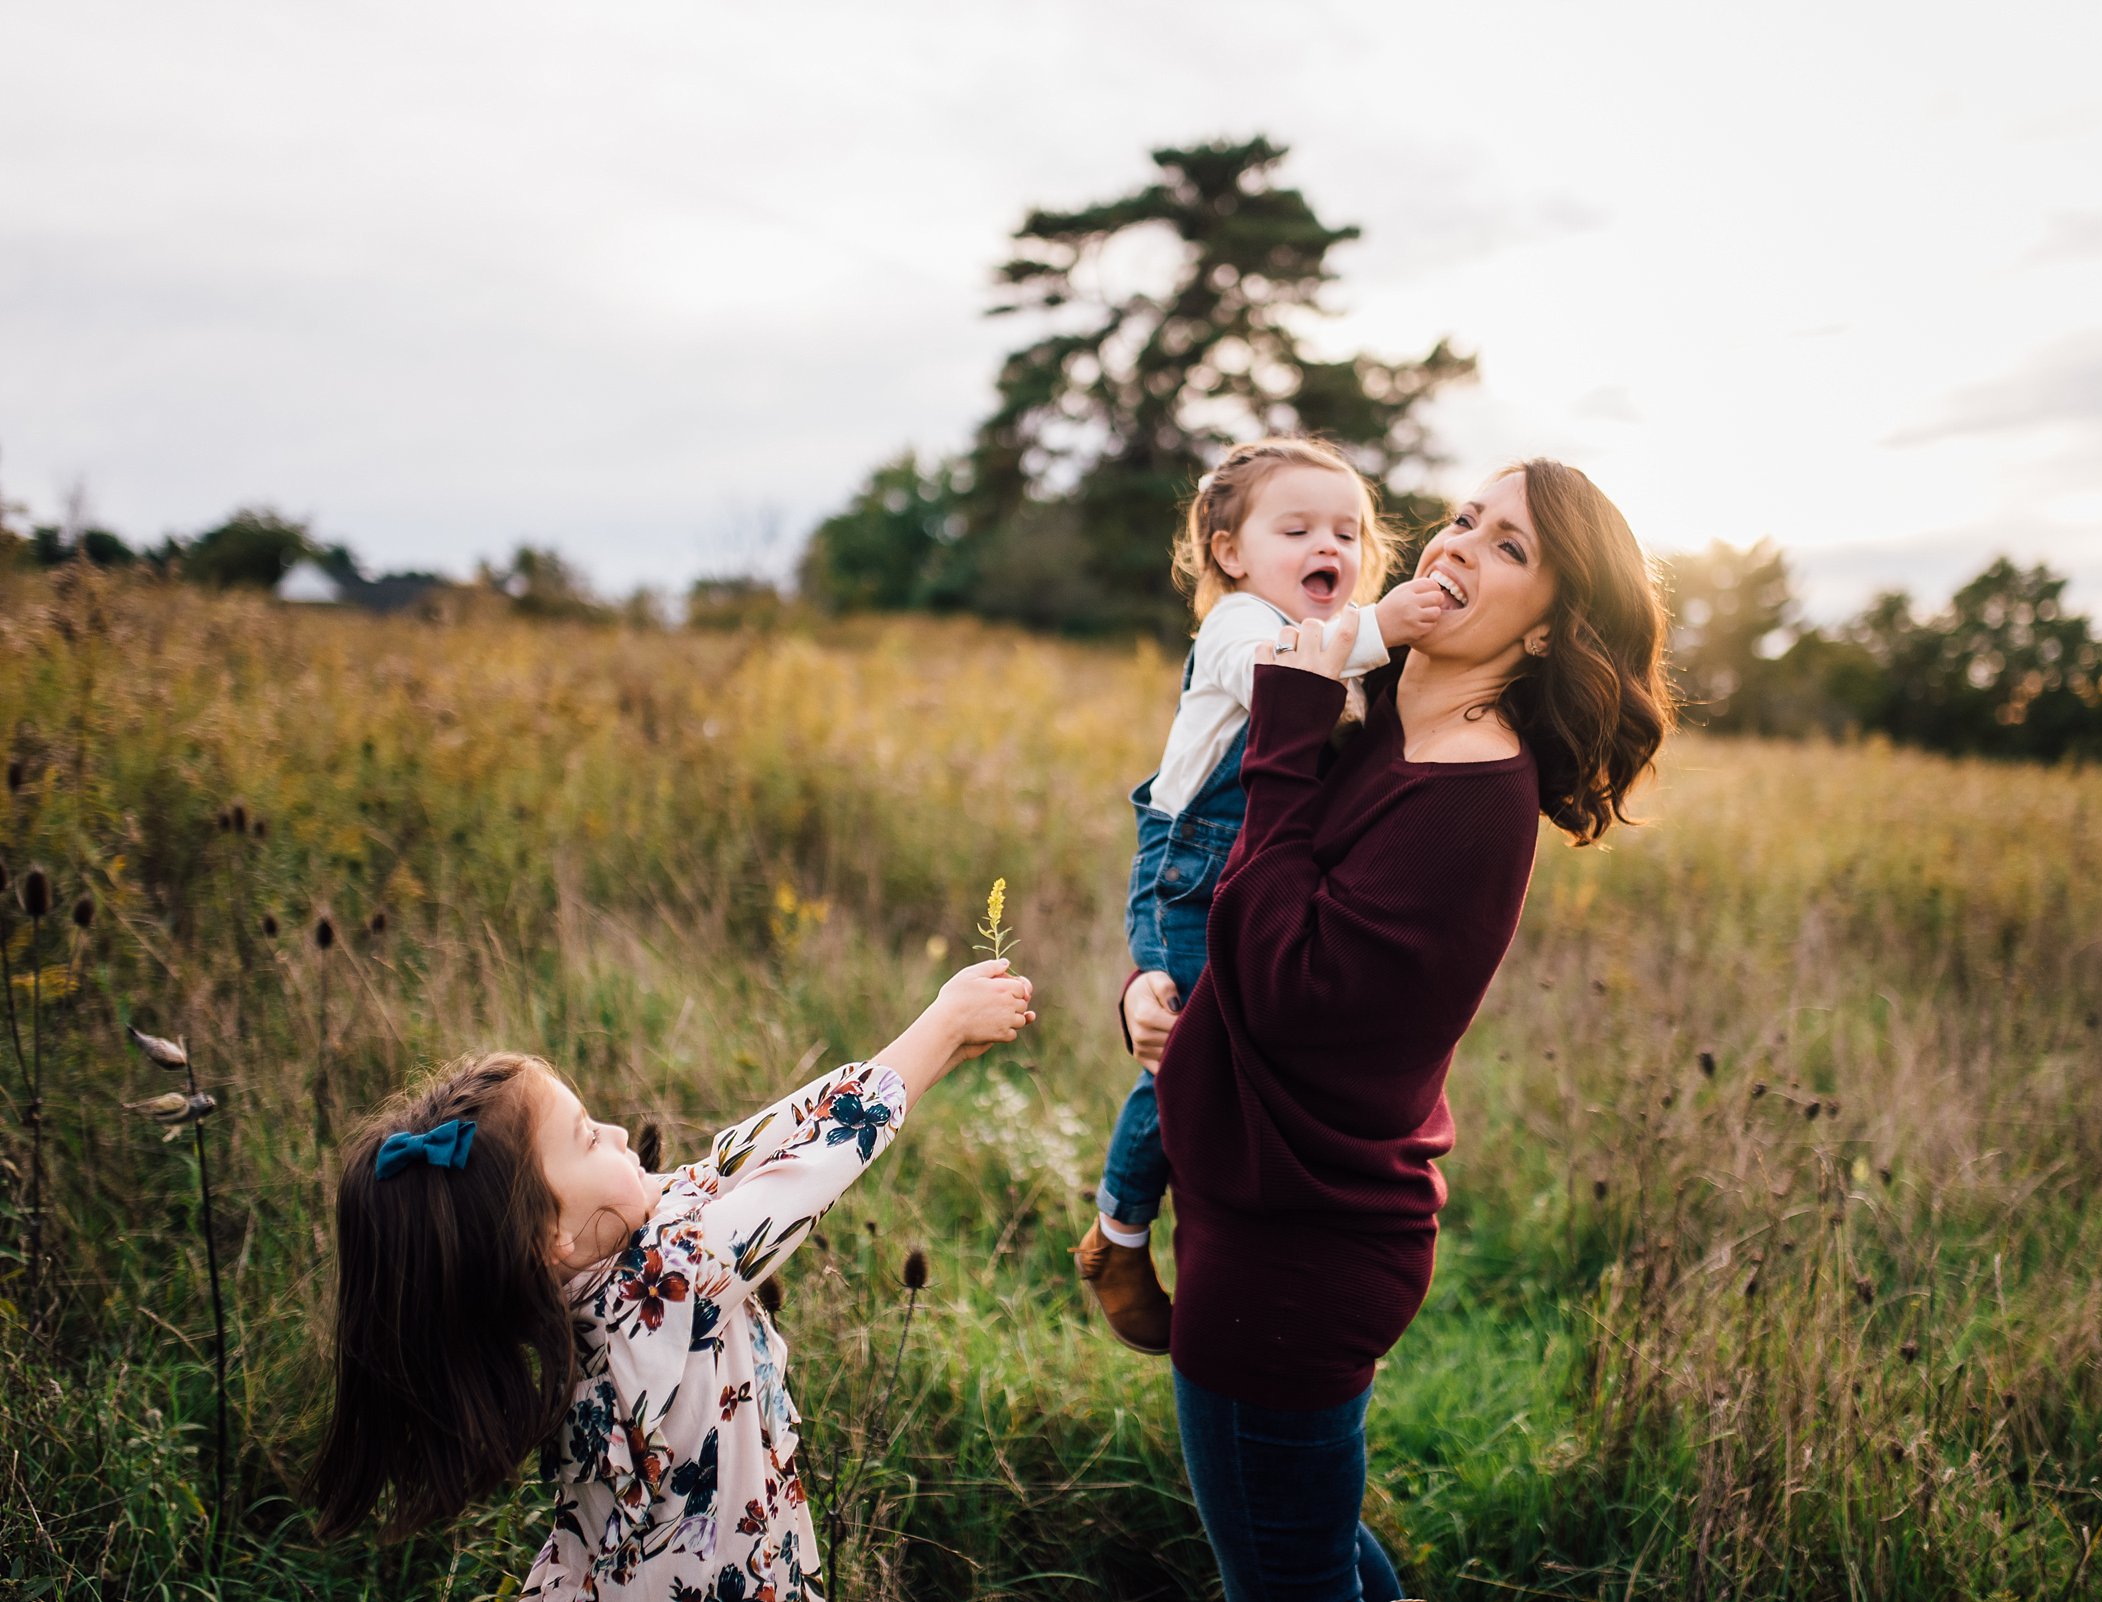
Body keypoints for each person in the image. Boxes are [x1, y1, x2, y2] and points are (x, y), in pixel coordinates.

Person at [1145, 459, 1674, 1601]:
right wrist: (1158, 994)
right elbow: (1224, 902)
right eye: (1462, 520)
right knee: (1311, 1556)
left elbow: (1284, 986)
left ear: (1547, 634)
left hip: (1299, 1250)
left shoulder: (1475, 802)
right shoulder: (1386, 718)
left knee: (1284, 1578)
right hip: (1268, 1207)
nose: (1456, 547)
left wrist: (1287, 722)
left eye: (1509, 549)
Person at [309, 960, 1035, 1600]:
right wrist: (939, 1024)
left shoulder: (569, 1289)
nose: (622, 1137)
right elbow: (806, 1173)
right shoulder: (656, 1287)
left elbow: (744, 1155)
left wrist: (934, 1052)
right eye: (589, 1136)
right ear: (547, 1237)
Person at [1076, 437, 1448, 1353]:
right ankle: (1120, 1230)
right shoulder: (1242, 624)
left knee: (1238, 1062)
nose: (1330, 546)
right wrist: (1389, 625)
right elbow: (1282, 673)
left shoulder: (1351, 638)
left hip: (1265, 874)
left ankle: (1223, 1235)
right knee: (1186, 1058)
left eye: (1347, 531)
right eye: (1298, 529)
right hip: (1194, 871)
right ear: (1231, 553)